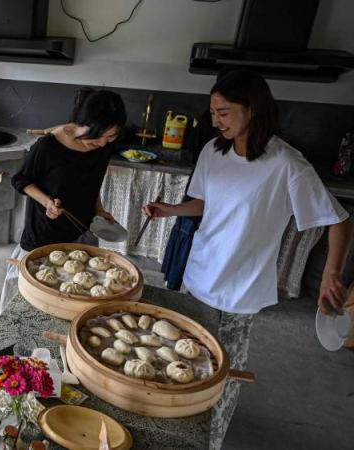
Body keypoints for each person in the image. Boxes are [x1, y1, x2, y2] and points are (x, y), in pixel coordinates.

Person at [142, 69, 352, 450]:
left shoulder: (286, 164)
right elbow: (205, 203)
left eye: (223, 112)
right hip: (199, 275)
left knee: (221, 378)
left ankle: (210, 442)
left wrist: (331, 274)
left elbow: (339, 220)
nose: (215, 120)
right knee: (182, 362)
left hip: (240, 292)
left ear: (252, 109)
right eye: (212, 112)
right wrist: (170, 209)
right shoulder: (213, 151)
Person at [0, 88, 127, 310]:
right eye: (98, 135)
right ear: (82, 123)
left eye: (110, 138)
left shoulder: (102, 149)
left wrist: (99, 209)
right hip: (43, 233)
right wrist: (46, 202)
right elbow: (21, 180)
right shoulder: (48, 147)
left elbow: (92, 185)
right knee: (29, 298)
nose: (103, 143)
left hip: (82, 233)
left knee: (77, 298)